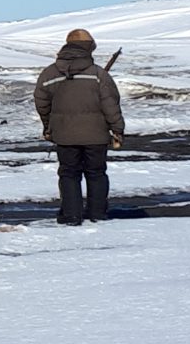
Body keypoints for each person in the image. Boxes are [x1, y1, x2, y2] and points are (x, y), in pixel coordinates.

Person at [33, 28, 123, 224]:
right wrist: (117, 129)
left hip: (64, 135)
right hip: (96, 135)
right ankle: (97, 214)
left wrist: (49, 126)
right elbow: (111, 104)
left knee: (68, 173)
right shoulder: (98, 74)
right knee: (96, 173)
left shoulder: (49, 74)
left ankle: (71, 215)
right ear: (89, 48)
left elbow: (41, 102)